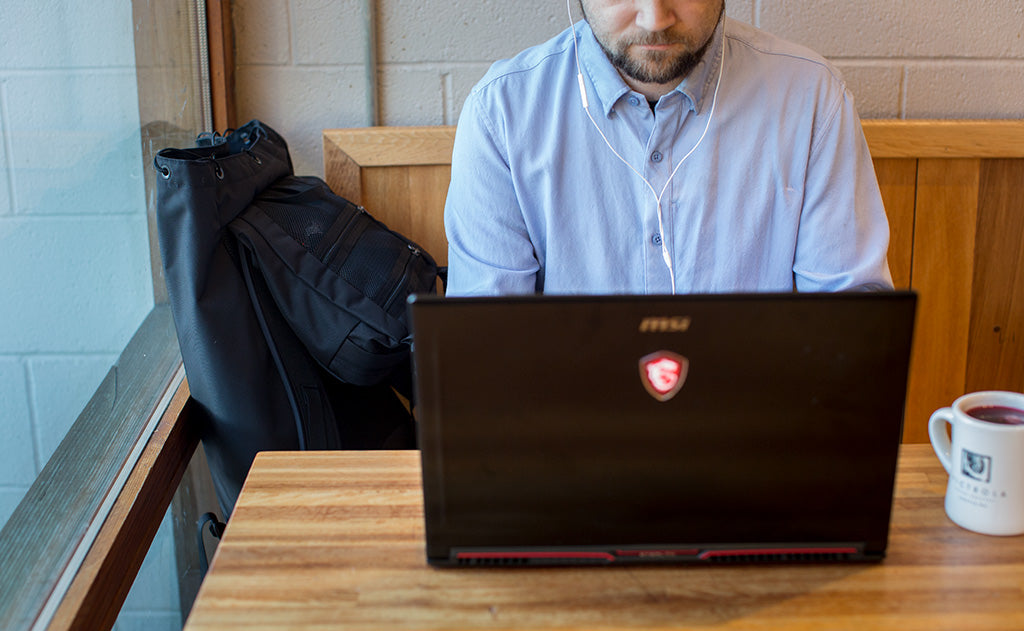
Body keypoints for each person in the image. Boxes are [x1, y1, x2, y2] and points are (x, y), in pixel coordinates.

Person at [443, 0, 894, 296]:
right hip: (570, 439)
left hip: (755, 437)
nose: (654, 18)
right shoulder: (501, 114)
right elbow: (486, 348)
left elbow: (851, 325)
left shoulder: (811, 98)